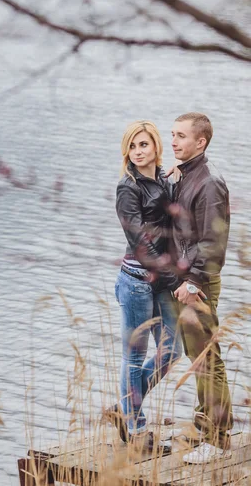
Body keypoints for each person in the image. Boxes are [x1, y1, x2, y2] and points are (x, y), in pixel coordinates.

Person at [108, 120, 182, 453]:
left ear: (155, 146)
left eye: (144, 145)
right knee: (134, 358)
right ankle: (137, 432)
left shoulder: (165, 180)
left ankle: (125, 407)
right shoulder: (128, 187)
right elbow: (138, 241)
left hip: (162, 282)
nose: (138, 152)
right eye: (132, 146)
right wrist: (172, 278)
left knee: (171, 352)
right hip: (138, 281)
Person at [170, 112, 233, 464]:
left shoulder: (209, 183)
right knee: (199, 359)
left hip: (200, 282)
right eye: (173, 134)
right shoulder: (185, 176)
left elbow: (214, 241)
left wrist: (193, 282)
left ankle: (217, 438)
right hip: (186, 281)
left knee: (208, 360)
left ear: (201, 142)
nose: (174, 141)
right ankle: (205, 427)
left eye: (181, 136)